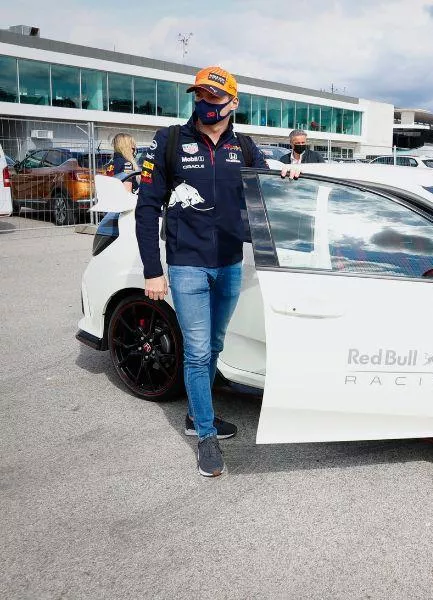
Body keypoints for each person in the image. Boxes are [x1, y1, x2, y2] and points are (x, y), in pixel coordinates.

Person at [135, 66, 268, 478]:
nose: (206, 104)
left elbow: (268, 191)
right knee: (195, 351)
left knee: (214, 346)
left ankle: (196, 415)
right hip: (186, 264)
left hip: (229, 264)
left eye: (214, 98)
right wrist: (153, 271)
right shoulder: (170, 140)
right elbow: (146, 207)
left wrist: (291, 174)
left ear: (233, 102)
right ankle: (206, 437)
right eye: (201, 96)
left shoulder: (244, 147)